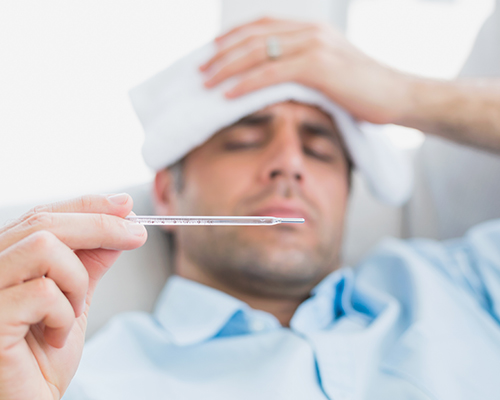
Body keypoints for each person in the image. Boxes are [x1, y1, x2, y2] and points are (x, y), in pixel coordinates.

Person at [0, 17, 499, 400]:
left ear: (350, 193)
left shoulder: (466, 281)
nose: (288, 164)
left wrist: (407, 96)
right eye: (244, 141)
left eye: (321, 148)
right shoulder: (69, 379)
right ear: (169, 193)